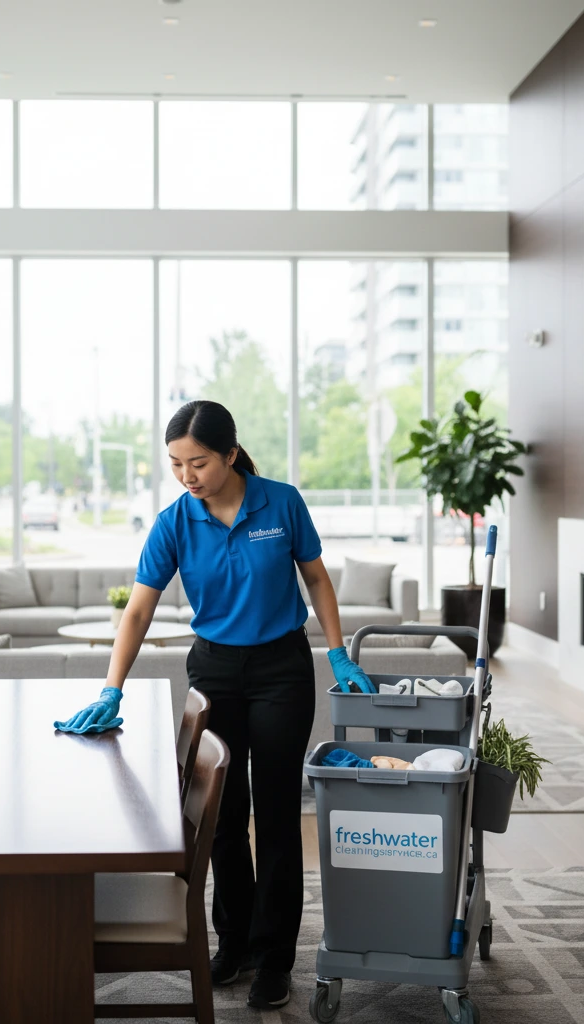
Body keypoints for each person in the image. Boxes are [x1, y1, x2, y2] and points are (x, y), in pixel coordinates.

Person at [54, 400, 376, 1010]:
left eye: (197, 462)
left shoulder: (280, 503)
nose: (187, 475)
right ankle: (234, 944)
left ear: (230, 454)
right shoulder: (175, 521)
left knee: (279, 815)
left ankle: (276, 957)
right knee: (222, 816)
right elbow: (140, 610)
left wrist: (337, 653)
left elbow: (317, 579)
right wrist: (110, 687)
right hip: (215, 669)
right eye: (175, 464)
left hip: (282, 669)